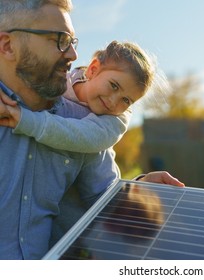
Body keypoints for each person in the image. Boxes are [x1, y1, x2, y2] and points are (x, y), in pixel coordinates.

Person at [0, 0, 184, 260]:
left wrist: (139, 189)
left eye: (72, 42)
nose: (74, 56)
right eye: (59, 40)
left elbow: (104, 200)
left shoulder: (87, 124)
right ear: (8, 46)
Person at [0, 39, 155, 152]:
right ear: (93, 70)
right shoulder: (58, 81)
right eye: (114, 86)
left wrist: (25, 119)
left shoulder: (116, 120)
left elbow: (84, 137)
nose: (114, 102)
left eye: (126, 100)